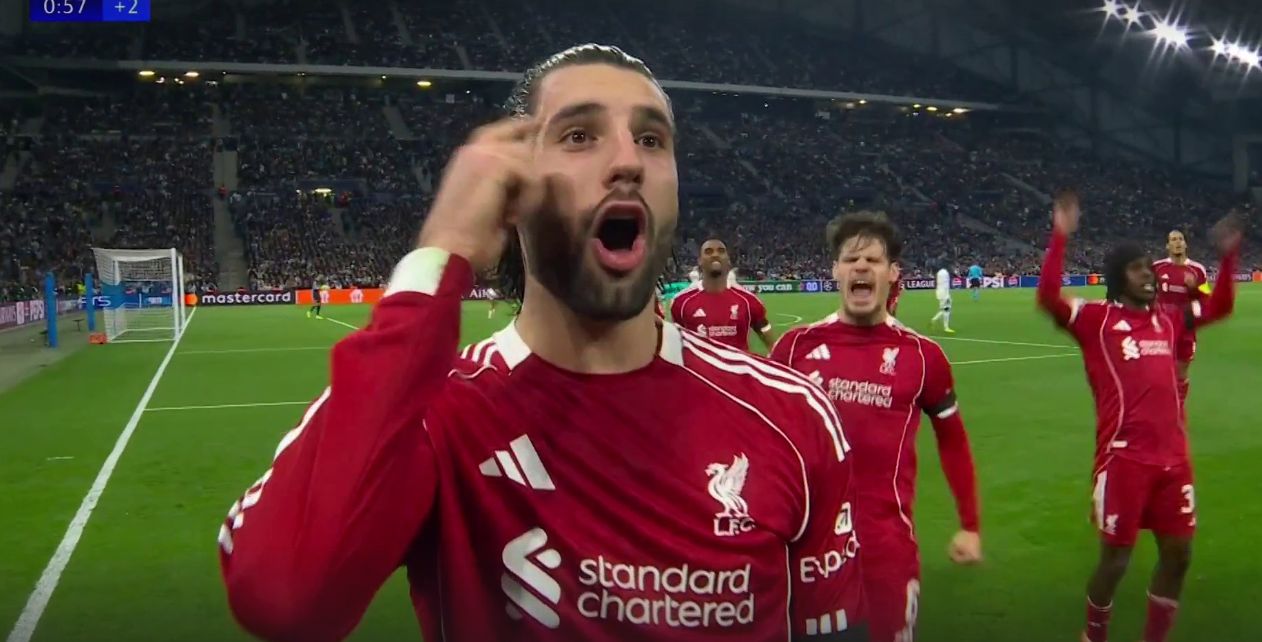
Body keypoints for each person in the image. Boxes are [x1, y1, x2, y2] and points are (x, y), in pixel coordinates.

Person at [218, 44, 867, 642]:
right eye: (580, 135)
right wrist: (441, 253)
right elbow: (286, 601)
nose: (626, 161)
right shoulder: (434, 417)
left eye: (650, 139)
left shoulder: (792, 414)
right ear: (509, 188)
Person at [1035, 191, 1242, 642]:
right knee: (1116, 561)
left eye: (1149, 266)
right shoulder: (1096, 321)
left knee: (1180, 555)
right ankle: (1094, 634)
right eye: (1137, 268)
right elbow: (1049, 296)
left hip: (1173, 459)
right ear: (1117, 277)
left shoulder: (1170, 320)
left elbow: (1220, 306)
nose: (1148, 273)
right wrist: (1060, 236)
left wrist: (1229, 258)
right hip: (1124, 459)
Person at [772, 211, 982, 642]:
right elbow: (762, 442)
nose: (861, 267)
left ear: (892, 273)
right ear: (835, 271)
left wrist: (970, 523)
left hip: (886, 552)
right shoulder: (795, 347)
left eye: (873, 259)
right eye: (851, 259)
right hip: (805, 554)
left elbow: (953, 440)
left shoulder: (923, 356)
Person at [670, 238, 776, 352]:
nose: (715, 255)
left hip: (738, 369)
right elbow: (676, 345)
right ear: (700, 261)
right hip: (699, 369)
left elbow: (771, 343)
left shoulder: (748, 301)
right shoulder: (681, 302)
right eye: (708, 251)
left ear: (728, 260)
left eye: (721, 251)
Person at [1151, 230, 1209, 404]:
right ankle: (1161, 407)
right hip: (1162, 327)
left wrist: (1194, 289)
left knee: (1181, 373)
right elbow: (1145, 293)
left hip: (1186, 327)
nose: (1177, 242)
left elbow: (1206, 299)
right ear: (1167, 246)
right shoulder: (1157, 268)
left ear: (1185, 244)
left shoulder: (1197, 270)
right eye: (1173, 240)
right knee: (1160, 371)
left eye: (1180, 239)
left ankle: (1177, 410)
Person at [929, 266, 954, 333]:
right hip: (945, 294)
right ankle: (946, 327)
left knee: (944, 309)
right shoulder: (945, 273)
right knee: (946, 310)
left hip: (939, 293)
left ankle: (934, 319)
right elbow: (947, 284)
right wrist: (947, 296)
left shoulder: (939, 273)